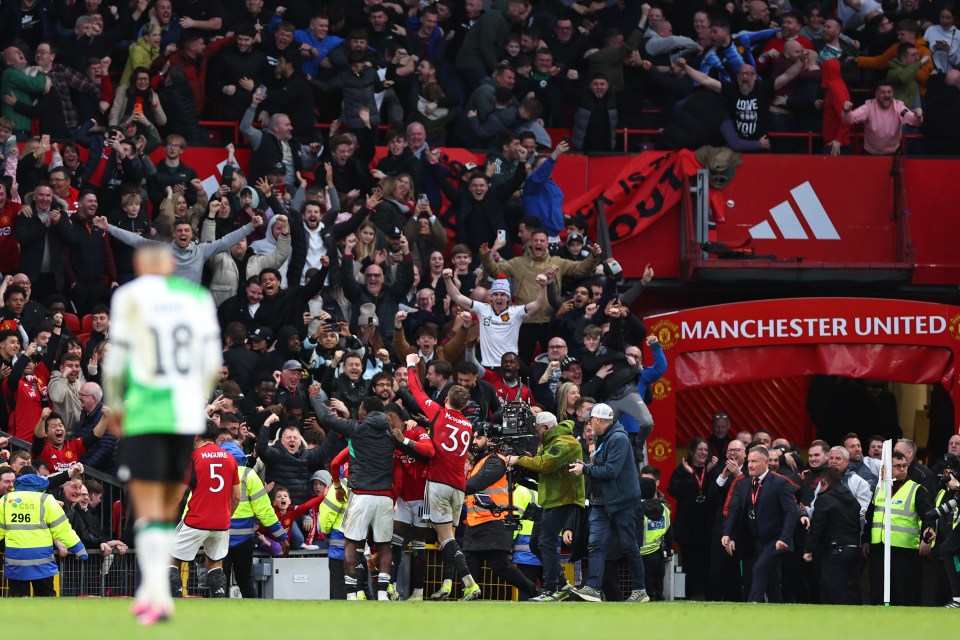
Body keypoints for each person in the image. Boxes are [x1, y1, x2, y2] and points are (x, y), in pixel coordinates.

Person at [102, 244, 224, 624]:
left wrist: (114, 404)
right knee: (169, 501)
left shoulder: (129, 296)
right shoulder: (197, 297)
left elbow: (116, 358)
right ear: (172, 266)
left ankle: (154, 591)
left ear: (139, 265)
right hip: (183, 413)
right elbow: (212, 361)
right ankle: (158, 593)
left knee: (147, 499)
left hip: (144, 410)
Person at [404, 352, 482, 600]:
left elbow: (417, 392)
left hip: (438, 484)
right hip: (459, 486)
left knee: (446, 538)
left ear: (447, 398)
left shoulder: (437, 413)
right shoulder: (469, 425)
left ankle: (470, 584)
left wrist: (410, 365)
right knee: (446, 538)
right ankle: (448, 585)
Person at [311, 394, 397, 600]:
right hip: (385, 496)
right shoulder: (392, 433)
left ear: (364, 412)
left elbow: (327, 418)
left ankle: (351, 595)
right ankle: (383, 594)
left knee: (351, 544)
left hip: (361, 495)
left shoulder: (357, 428)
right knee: (384, 546)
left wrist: (314, 397)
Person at [569, 403, 650, 603]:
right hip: (602, 501)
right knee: (595, 544)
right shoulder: (606, 437)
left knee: (629, 545)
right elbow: (605, 467)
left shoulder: (619, 439)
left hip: (620, 501)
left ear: (598, 420)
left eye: (590, 420)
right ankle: (593, 588)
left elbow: (611, 471)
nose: (588, 423)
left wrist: (586, 470)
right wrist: (587, 466)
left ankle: (640, 590)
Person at [506, 411, 585, 601]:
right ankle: (562, 584)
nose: (536, 434)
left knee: (545, 542)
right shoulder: (553, 442)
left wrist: (519, 459)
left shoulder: (566, 442)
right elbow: (543, 465)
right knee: (536, 543)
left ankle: (551, 590)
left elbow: (545, 464)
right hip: (550, 499)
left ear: (546, 427)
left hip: (563, 499)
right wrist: (528, 459)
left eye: (537, 429)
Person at [721, 445, 801, 603]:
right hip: (751, 540)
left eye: (754, 461)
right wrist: (727, 533)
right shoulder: (743, 484)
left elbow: (791, 512)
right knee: (768, 580)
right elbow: (735, 512)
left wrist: (784, 538)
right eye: (749, 461)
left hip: (774, 540)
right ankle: (776, 609)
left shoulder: (780, 483)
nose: (750, 465)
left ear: (765, 462)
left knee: (759, 570)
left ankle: (753, 604)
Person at [169, 426, 241, 600]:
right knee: (215, 564)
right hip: (222, 523)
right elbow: (237, 496)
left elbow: (177, 495)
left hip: (197, 520)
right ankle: (219, 600)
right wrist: (226, 516)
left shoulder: (193, 458)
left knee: (170, 559)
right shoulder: (230, 458)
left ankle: (176, 600)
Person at [0, 465, 88, 596]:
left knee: (19, 605)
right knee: (47, 602)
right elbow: (63, 529)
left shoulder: (6, 500)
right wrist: (79, 549)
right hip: (42, 563)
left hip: (16, 563)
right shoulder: (47, 500)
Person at [864, 449, 935, 606]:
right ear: (888, 468)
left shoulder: (916, 489)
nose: (902, 469)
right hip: (879, 548)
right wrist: (866, 540)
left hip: (904, 550)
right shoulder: (880, 488)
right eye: (898, 466)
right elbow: (870, 517)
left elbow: (928, 515)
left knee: (904, 593)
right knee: (878, 590)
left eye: (904, 466)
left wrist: (927, 536)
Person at [223, 440, 288, 598]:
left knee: (218, 583)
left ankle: (214, 620)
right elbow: (264, 511)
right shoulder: (248, 474)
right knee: (245, 582)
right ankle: (254, 617)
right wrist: (282, 538)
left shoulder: (214, 472)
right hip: (244, 540)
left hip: (218, 537)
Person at [802, 467, 863, 604]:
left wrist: (808, 549)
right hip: (854, 548)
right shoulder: (853, 500)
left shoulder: (825, 499)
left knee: (833, 589)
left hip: (836, 550)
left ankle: (839, 621)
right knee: (851, 587)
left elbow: (817, 527)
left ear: (823, 482)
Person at [842, 82, 922, 155]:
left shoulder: (899, 108)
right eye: (883, 92)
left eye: (889, 92)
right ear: (876, 94)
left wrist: (918, 116)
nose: (887, 95)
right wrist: (846, 111)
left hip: (893, 153)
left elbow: (911, 118)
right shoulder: (868, 107)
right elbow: (850, 119)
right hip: (870, 154)